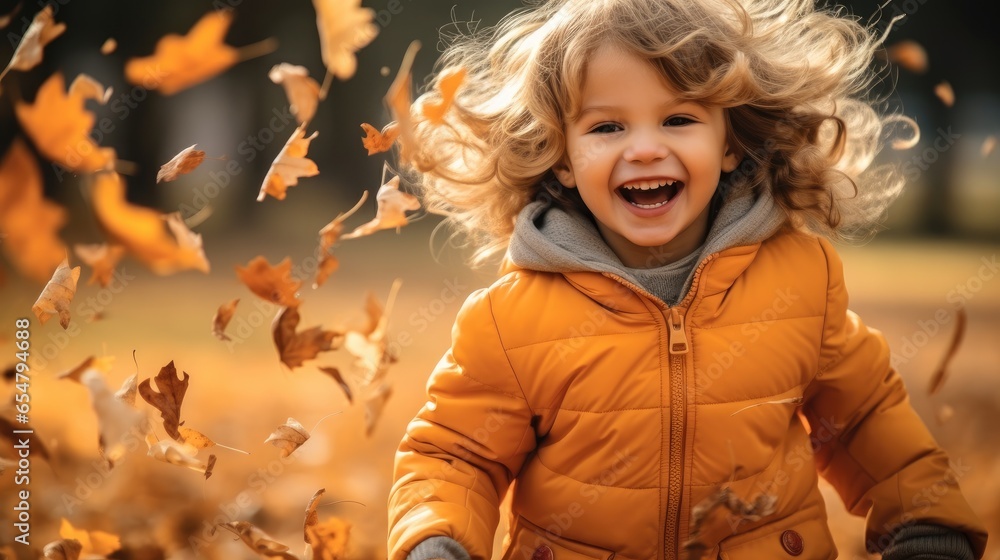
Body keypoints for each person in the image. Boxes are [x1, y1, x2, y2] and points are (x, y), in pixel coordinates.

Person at [386, 0, 989, 558]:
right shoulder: (511, 319)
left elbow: (863, 416)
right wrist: (436, 540)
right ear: (563, 159)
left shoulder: (801, 281)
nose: (645, 149)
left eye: (678, 119)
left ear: (729, 142)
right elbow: (456, 454)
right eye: (606, 128)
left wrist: (926, 519)